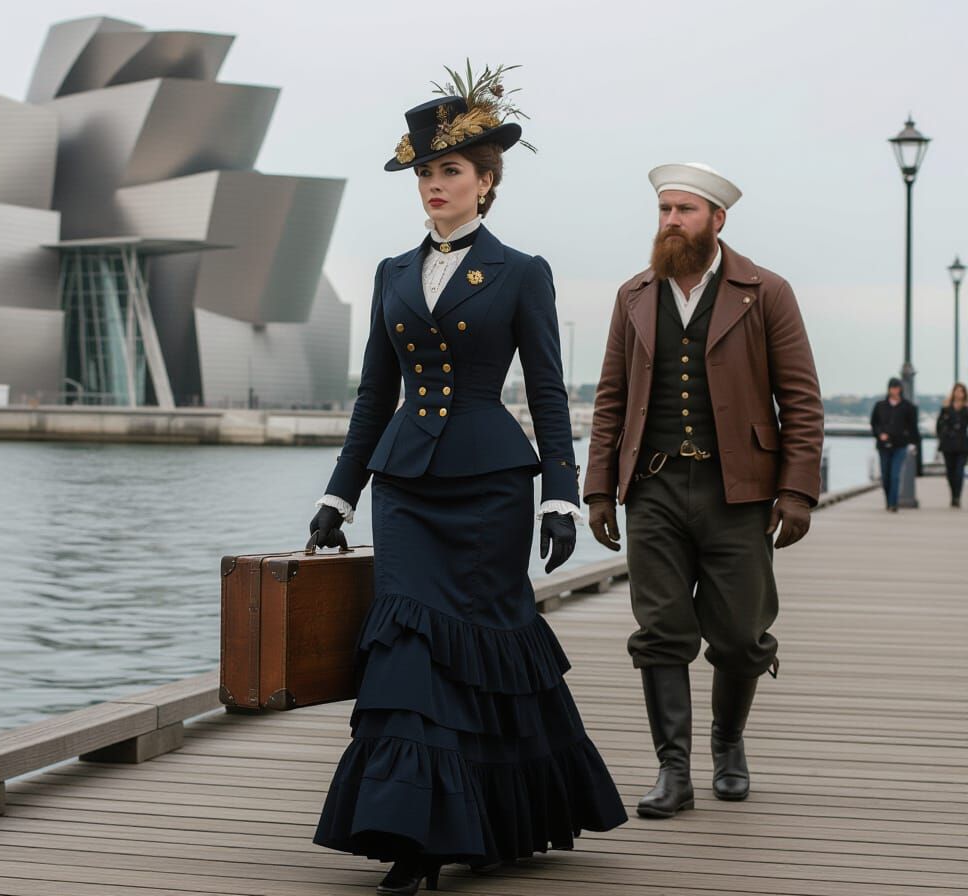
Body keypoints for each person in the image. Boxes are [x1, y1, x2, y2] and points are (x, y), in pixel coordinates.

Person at [308, 66, 626, 894]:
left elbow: (548, 391)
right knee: (407, 644)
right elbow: (375, 396)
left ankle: (491, 818)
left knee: (485, 651)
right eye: (424, 171)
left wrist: (562, 494)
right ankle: (414, 836)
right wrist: (339, 494)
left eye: (449, 170)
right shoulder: (390, 272)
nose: (434, 184)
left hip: (490, 489)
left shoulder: (521, 271)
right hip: (404, 487)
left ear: (486, 182)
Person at [583, 163, 824, 819]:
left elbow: (801, 399)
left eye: (684, 210)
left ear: (718, 219)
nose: (670, 221)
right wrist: (599, 489)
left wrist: (798, 491)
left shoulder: (766, 292)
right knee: (661, 630)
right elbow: (610, 399)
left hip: (738, 490)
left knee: (742, 634)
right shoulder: (634, 295)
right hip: (654, 488)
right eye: (664, 210)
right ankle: (673, 771)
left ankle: (728, 742)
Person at [871, 377, 921, 511]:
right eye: (892, 387)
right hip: (883, 446)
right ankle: (888, 501)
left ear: (901, 389)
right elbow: (874, 424)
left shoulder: (908, 407)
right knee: (885, 476)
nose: (895, 390)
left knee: (895, 475)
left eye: (897, 387)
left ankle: (893, 503)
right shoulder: (880, 406)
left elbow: (913, 427)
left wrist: (913, 443)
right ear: (888, 389)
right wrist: (880, 434)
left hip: (900, 445)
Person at [936, 382, 968, 507]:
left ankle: (957, 497)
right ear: (953, 392)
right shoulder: (946, 408)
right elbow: (939, 425)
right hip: (948, 445)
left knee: (959, 471)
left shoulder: (966, 409)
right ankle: (953, 494)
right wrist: (942, 436)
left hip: (962, 445)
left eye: (961, 391)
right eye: (957, 390)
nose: (959, 393)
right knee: (950, 472)